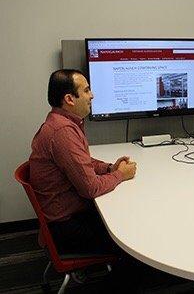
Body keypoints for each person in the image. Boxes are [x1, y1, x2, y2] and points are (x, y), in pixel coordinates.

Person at [29, 69, 137, 254]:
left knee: (126, 215)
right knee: (130, 234)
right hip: (66, 226)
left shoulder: (63, 122)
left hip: (70, 213)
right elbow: (90, 188)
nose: (92, 95)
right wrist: (121, 174)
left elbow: (83, 161)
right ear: (70, 99)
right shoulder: (62, 132)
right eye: (86, 90)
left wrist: (110, 168)